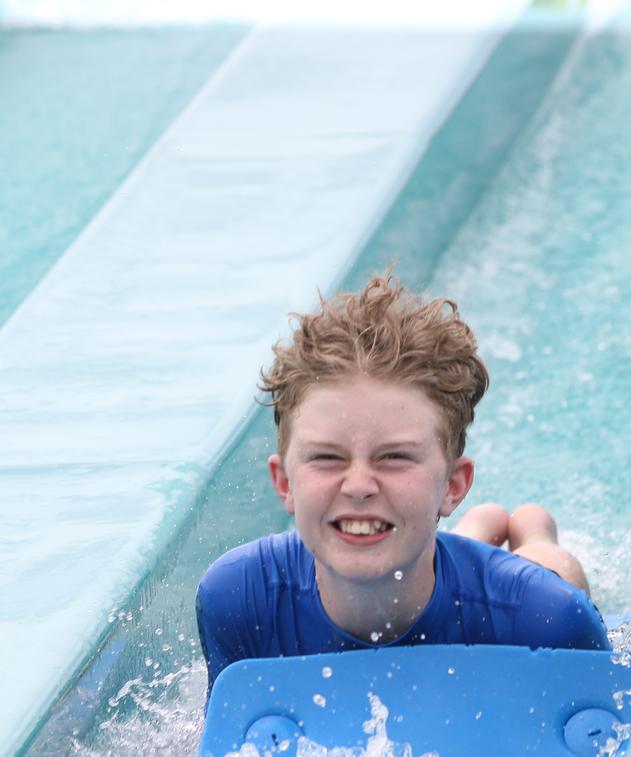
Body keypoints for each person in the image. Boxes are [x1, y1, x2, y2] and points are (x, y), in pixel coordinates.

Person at [196, 274, 608, 701]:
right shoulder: (241, 600)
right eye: (326, 457)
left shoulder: (545, 618)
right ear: (285, 483)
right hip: (423, 547)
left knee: (553, 572)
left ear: (453, 484)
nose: (358, 486)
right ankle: (472, 535)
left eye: (394, 457)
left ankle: (533, 531)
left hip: (509, 586)